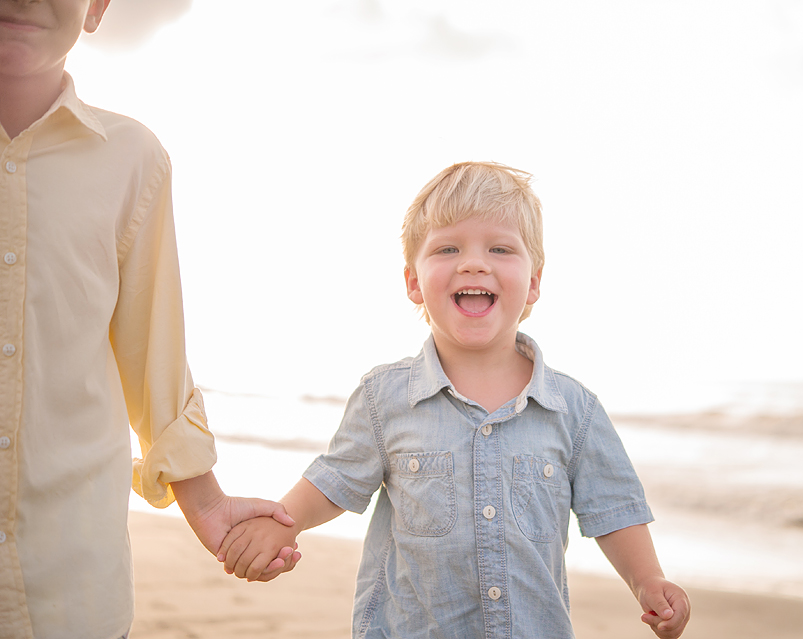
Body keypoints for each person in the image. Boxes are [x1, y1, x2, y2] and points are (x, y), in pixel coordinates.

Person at [219, 162, 690, 638]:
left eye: (500, 248)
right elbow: (338, 478)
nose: (473, 263)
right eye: (448, 248)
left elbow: (613, 508)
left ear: (533, 283)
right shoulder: (386, 397)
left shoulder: (573, 409)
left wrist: (648, 581)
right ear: (413, 282)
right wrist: (284, 522)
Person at [0, 1, 297, 637]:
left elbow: (152, 355)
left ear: (97, 6)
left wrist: (209, 504)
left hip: (72, 592)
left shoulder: (131, 159)